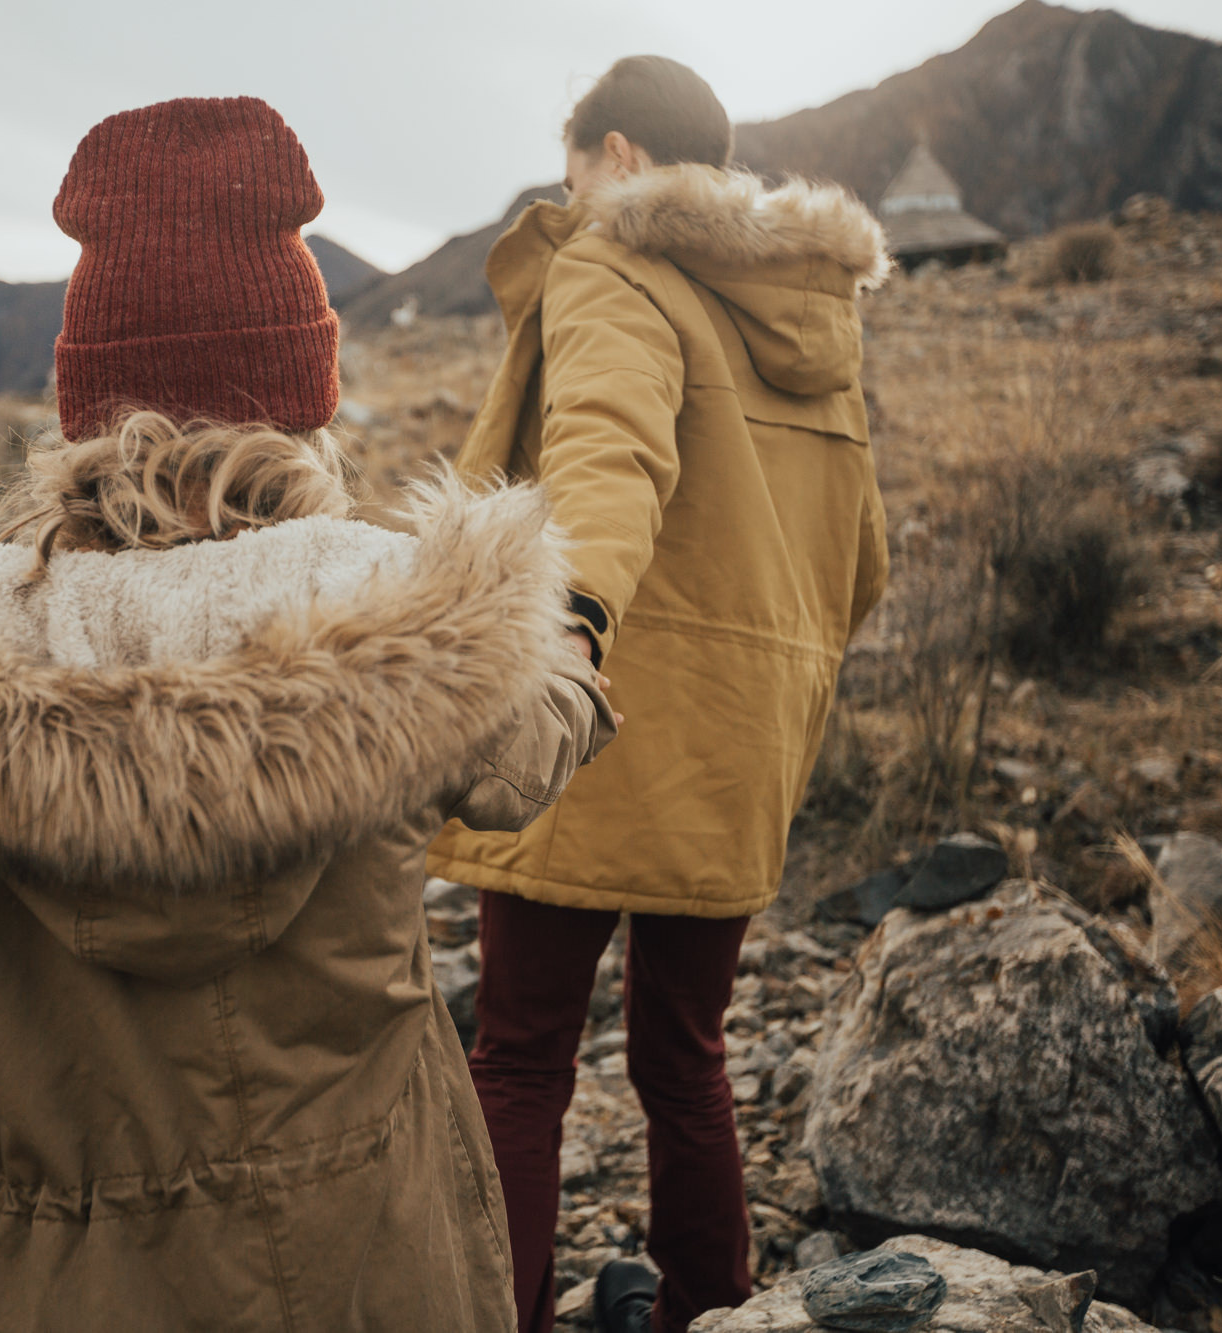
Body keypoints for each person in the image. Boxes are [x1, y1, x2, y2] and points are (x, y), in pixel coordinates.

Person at [0, 96, 615, 1332]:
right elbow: (530, 746)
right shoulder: (400, 612)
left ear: (81, 405)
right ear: (302, 397)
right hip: (378, 1274)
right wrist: (569, 641)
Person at [425, 56, 892, 1333]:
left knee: (518, 1059)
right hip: (741, 747)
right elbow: (861, 562)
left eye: (572, 164)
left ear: (616, 156)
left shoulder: (609, 263)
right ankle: (712, 1311)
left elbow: (606, 456)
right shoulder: (810, 313)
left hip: (592, 720)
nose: (565, 189)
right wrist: (769, 688)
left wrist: (565, 630)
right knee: (686, 1061)